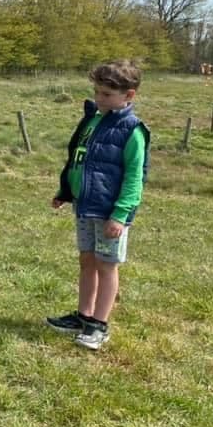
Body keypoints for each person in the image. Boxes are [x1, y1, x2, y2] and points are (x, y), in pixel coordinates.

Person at [46, 60, 151, 350]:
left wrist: (119, 215)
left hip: (109, 214)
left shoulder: (133, 131)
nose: (98, 98)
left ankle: (99, 326)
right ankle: (83, 316)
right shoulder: (92, 121)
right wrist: (66, 191)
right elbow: (79, 160)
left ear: (128, 96)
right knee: (87, 262)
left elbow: (134, 178)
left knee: (106, 266)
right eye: (96, 92)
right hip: (85, 206)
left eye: (106, 94)